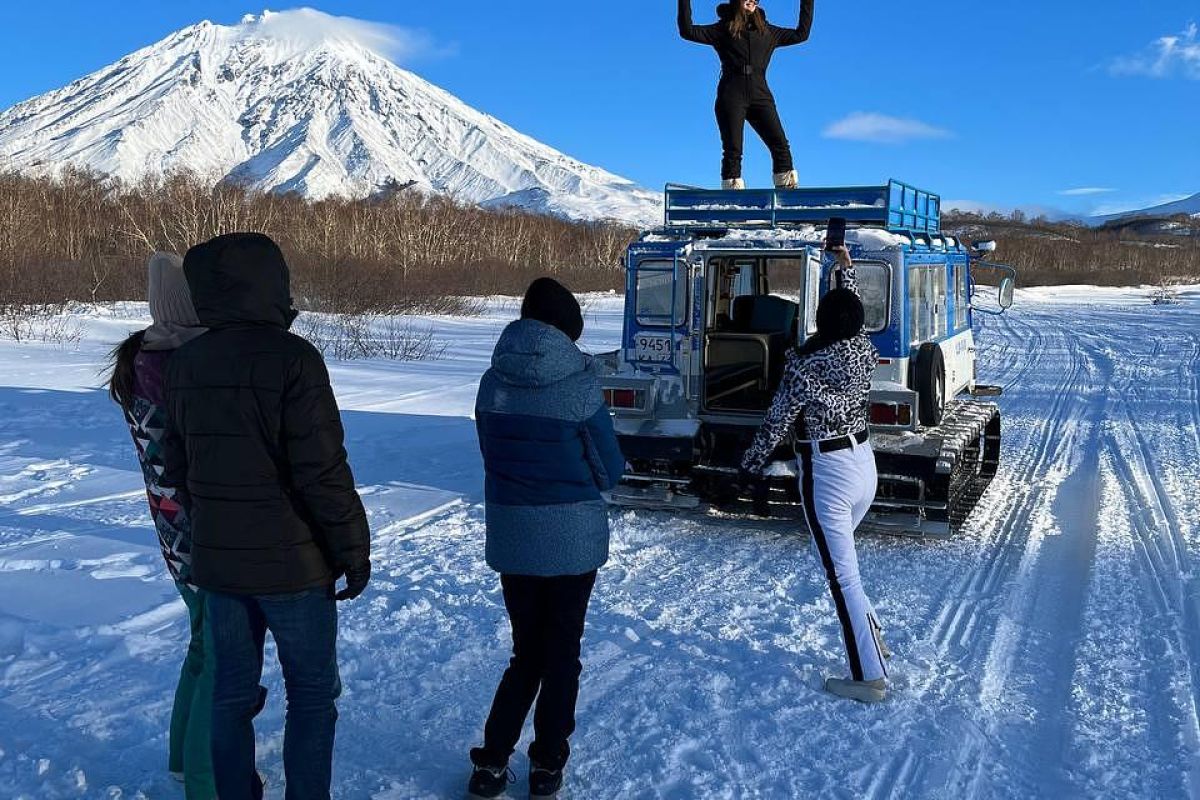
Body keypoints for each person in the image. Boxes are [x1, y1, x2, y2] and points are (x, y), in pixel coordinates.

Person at [161, 233, 371, 800]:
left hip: (221, 565)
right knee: (310, 695)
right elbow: (322, 469)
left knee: (229, 695)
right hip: (294, 567)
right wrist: (353, 549)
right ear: (271, 284)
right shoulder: (294, 359)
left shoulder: (186, 362)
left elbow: (178, 467)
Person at [467, 278, 626, 800]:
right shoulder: (579, 385)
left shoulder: (493, 382)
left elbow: (491, 453)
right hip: (570, 540)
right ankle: (546, 764)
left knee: (525, 653)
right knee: (561, 655)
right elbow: (609, 470)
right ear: (568, 329)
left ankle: (491, 761)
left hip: (513, 535)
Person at [740, 244, 891, 703]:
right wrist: (845, 269)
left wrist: (749, 466)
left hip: (827, 473)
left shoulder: (805, 367)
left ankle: (869, 676)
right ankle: (873, 643)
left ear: (822, 323)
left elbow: (777, 421)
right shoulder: (863, 348)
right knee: (848, 570)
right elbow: (852, 313)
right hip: (865, 464)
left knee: (842, 576)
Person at [109, 253, 215, 799]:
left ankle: (181, 759)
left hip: (174, 538)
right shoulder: (183, 368)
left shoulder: (141, 360)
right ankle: (205, 781)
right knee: (220, 663)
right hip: (208, 536)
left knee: (203, 648)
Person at [678, 0, 815, 190]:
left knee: (781, 146)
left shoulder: (768, 32)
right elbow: (687, 31)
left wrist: (807, 2)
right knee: (733, 150)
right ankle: (734, 202)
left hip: (761, 95)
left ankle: (787, 197)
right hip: (731, 95)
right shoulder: (723, 29)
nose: (752, 0)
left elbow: (802, 34)